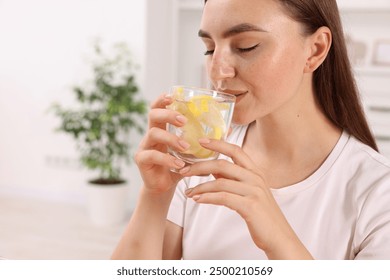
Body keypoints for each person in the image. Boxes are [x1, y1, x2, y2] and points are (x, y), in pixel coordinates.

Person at [111, 0, 390, 260]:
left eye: (246, 46)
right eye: (209, 48)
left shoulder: (378, 195)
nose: (217, 71)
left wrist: (279, 241)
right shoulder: (198, 160)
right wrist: (155, 196)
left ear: (315, 49)